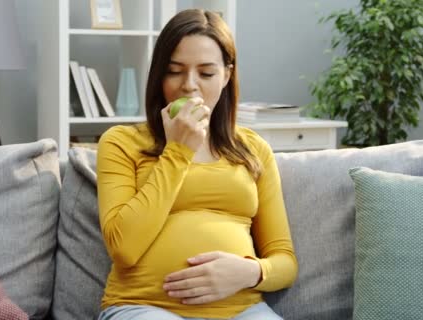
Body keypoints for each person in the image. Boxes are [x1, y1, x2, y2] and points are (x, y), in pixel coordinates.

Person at [96, 8, 298, 320]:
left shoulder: (253, 149)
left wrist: (250, 271)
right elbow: (123, 248)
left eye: (206, 73)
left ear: (227, 75)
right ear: (158, 75)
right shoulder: (121, 143)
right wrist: (177, 152)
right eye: (175, 71)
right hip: (142, 307)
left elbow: (284, 261)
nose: (189, 85)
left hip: (242, 310)